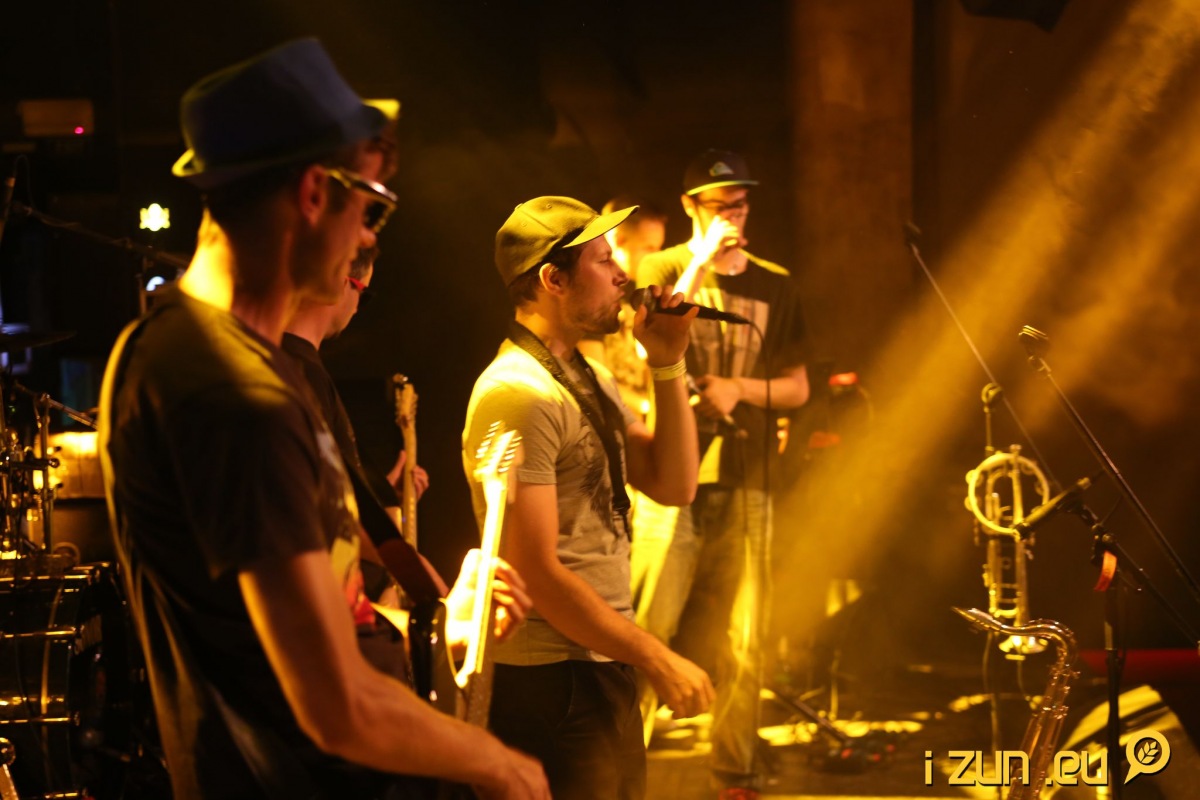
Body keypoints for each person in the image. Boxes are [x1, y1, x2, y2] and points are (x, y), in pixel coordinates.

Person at [100, 39, 547, 799]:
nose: (369, 236)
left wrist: (438, 625)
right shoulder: (227, 395)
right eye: (370, 208)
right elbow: (334, 706)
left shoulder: (222, 359)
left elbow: (280, 636)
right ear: (313, 193)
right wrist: (504, 766)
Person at [461, 196, 715, 799]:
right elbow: (537, 570)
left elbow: (674, 484)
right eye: (604, 261)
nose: (624, 274)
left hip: (599, 661)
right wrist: (656, 656)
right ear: (554, 279)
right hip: (553, 679)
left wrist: (668, 363)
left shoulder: (587, 375)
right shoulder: (518, 394)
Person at [631, 149, 810, 798]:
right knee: (649, 627)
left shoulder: (775, 285)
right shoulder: (662, 268)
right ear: (691, 207)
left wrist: (738, 389)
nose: (734, 216)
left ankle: (735, 771)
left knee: (747, 632)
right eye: (721, 206)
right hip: (670, 477)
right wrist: (702, 259)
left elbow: (797, 386)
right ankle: (623, 770)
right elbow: (651, 332)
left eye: (741, 204)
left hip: (747, 474)